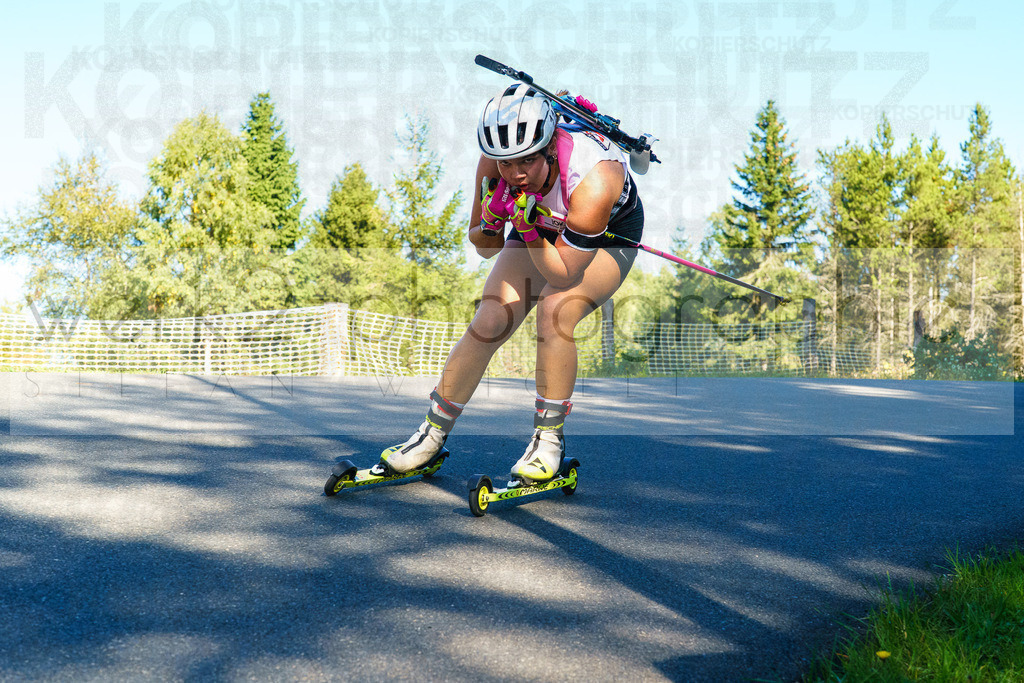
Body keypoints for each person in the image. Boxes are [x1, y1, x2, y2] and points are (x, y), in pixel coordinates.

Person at [376, 83, 644, 483]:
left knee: (556, 312)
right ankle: (429, 437)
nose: (515, 174)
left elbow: (564, 273)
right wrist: (492, 219)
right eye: (506, 164)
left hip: (606, 237)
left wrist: (529, 228)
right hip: (538, 221)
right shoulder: (495, 164)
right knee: (489, 321)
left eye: (526, 162)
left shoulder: (596, 177)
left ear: (551, 146)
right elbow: (485, 247)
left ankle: (548, 442)